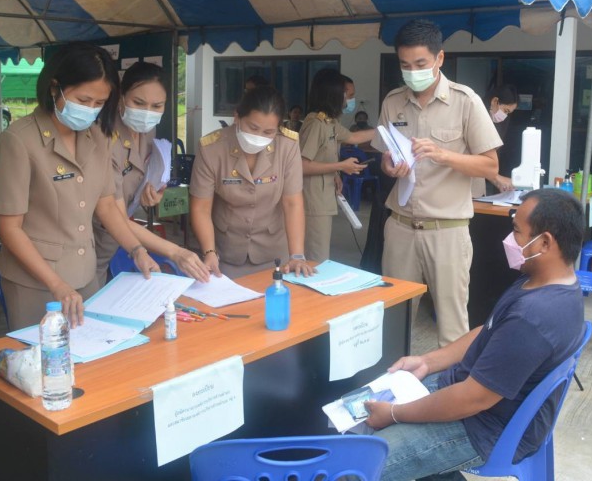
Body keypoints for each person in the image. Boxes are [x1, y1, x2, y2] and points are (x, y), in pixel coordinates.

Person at [364, 188, 586, 481]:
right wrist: (428, 362)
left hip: (483, 427)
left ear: (544, 242)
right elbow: (490, 331)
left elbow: (472, 399)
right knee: (361, 417)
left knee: (359, 464)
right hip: (468, 396)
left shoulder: (534, 317)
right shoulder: (547, 282)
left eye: (517, 231)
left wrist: (395, 413)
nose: (509, 239)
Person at [0, 43, 159, 329]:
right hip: (35, 283)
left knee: (93, 351)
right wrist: (56, 284)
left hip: (85, 275)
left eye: (99, 103)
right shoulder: (19, 140)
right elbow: (8, 227)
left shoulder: (99, 138)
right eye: (83, 100)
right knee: (44, 354)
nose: (90, 110)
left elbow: (107, 206)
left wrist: (136, 250)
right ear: (55, 88)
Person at [371, 19, 502, 347]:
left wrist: (443, 155)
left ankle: (450, 380)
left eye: (420, 64)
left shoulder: (465, 101)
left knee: (452, 327)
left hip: (447, 230)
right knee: (393, 322)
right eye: (405, 65)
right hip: (400, 227)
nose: (412, 72)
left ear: (439, 58)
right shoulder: (392, 102)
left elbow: (490, 165)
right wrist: (389, 165)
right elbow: (384, 156)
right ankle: (395, 379)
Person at [92, 62, 210, 285]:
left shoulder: (147, 131)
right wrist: (175, 252)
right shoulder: (105, 138)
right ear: (121, 97)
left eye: (157, 106)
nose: (147, 113)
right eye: (138, 103)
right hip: (94, 242)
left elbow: (135, 178)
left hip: (119, 244)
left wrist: (147, 196)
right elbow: (114, 215)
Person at [190, 86, 315, 278]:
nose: (258, 137)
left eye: (268, 132)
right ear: (237, 117)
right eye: (253, 128)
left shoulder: (287, 146)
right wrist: (209, 252)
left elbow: (292, 203)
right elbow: (201, 208)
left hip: (274, 253)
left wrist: (297, 255)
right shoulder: (212, 149)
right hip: (225, 254)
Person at [299, 69, 376, 263]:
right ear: (334, 93)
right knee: (316, 257)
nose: (350, 100)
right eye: (349, 95)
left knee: (320, 252)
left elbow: (353, 137)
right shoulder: (316, 123)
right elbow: (302, 165)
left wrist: (385, 130)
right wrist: (341, 166)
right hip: (313, 200)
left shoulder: (330, 122)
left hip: (324, 197)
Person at [472, 84, 519, 196]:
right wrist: (496, 178)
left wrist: (496, 180)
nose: (505, 116)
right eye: (506, 111)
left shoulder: (501, 122)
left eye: (508, 113)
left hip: (480, 179)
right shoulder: (473, 115)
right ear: (495, 101)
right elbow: (473, 155)